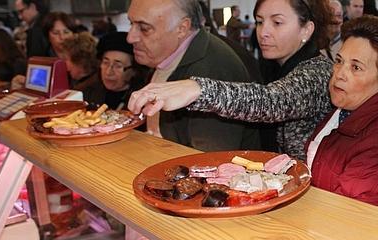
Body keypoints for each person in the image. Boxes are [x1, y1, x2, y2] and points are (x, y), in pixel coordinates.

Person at [128, 0, 334, 161]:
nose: (264, 32)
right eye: (260, 21)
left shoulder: (317, 72)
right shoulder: (275, 67)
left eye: (277, 22)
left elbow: (272, 101)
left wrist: (198, 89)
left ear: (307, 29)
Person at [306, 16, 378, 206]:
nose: (339, 74)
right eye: (339, 61)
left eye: (356, 67)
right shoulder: (348, 105)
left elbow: (347, 216)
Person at [126, 0, 261, 152]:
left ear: (182, 28)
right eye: (131, 24)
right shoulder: (169, 55)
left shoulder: (213, 68)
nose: (130, 37)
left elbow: (207, 161)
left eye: (144, 29)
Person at [83, 32, 149, 110]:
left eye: (118, 66)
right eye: (105, 63)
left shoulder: (143, 101)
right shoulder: (87, 94)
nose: (108, 72)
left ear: (134, 71)